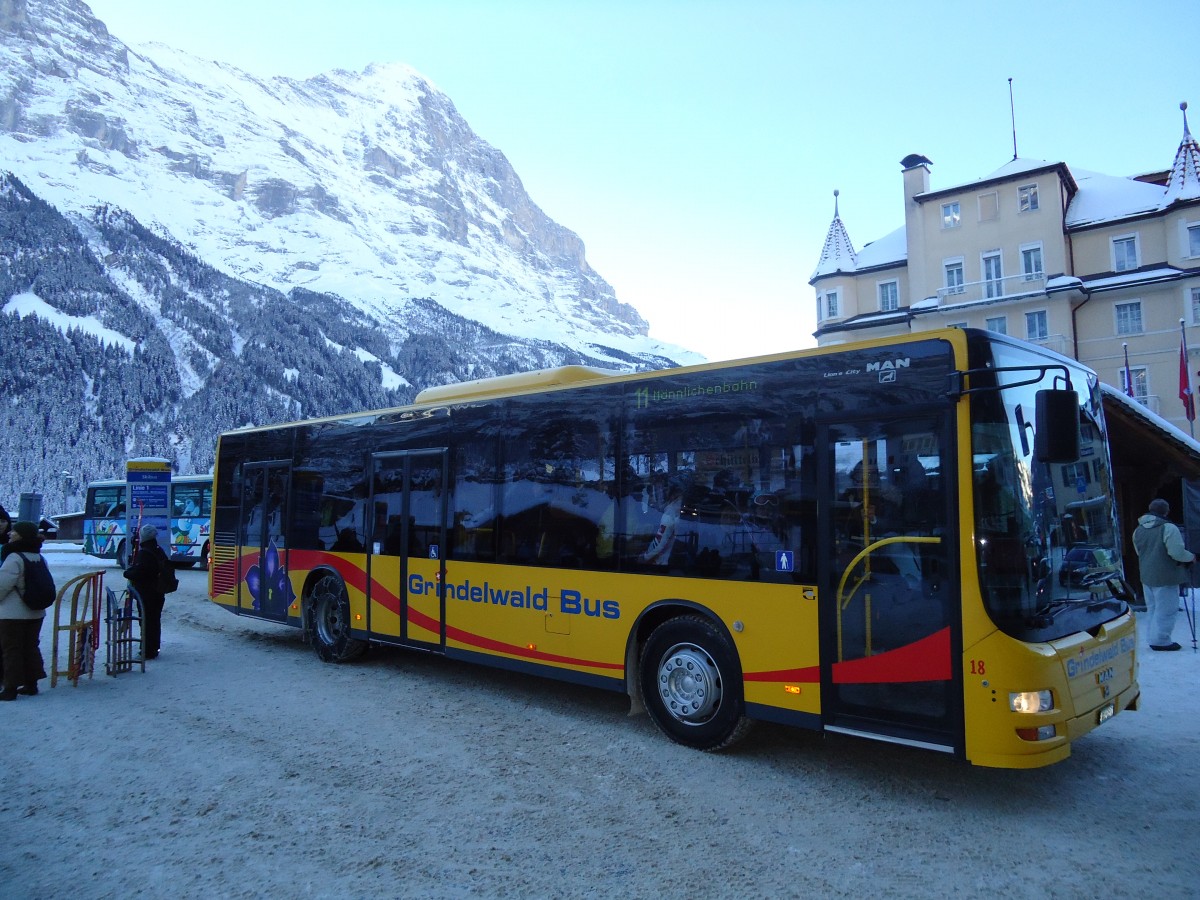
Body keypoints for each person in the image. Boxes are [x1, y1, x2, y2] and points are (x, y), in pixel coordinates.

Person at [1132, 498, 1194, 652]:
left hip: (1147, 575)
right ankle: (1161, 640)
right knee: (1167, 609)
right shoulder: (1168, 528)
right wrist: (1191, 557)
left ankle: (1153, 638)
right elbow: (1176, 552)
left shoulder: (1138, 530)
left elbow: (1139, 552)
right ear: (1166, 511)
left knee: (1152, 608)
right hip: (1166, 575)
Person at [0, 521, 50, 699]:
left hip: (12, 614)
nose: (10, 533)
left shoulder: (14, 557)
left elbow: (2, 585)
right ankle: (31, 683)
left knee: (11, 649)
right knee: (30, 647)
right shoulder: (38, 557)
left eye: (14, 531)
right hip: (36, 611)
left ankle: (10, 688)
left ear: (21, 535)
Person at [124, 524, 169, 660]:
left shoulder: (145, 553)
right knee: (154, 620)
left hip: (146, 593)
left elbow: (141, 572)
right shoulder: (158, 549)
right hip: (158, 591)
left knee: (146, 621)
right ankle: (154, 647)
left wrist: (128, 572)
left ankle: (147, 650)